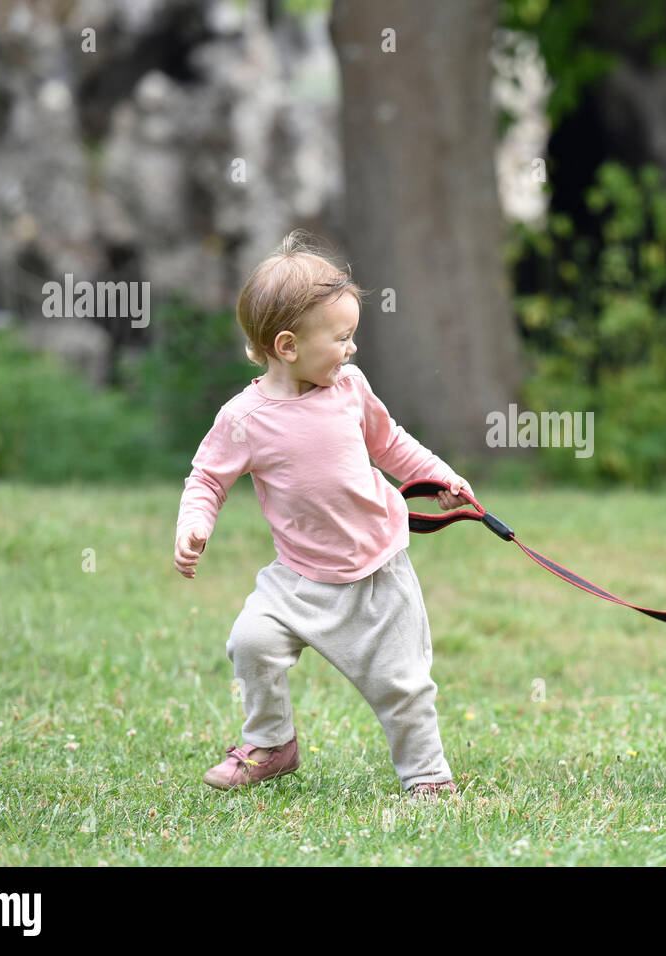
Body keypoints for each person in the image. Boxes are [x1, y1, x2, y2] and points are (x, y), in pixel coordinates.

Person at [173, 231, 470, 798]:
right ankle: (271, 744)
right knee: (251, 641)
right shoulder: (244, 418)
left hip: (379, 571)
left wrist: (438, 478)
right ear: (287, 346)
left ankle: (427, 778)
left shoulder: (350, 389)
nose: (351, 349)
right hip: (299, 578)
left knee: (403, 686)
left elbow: (391, 445)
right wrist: (194, 525)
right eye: (341, 338)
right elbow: (207, 479)